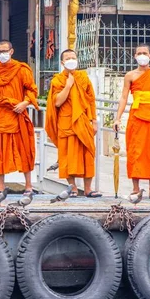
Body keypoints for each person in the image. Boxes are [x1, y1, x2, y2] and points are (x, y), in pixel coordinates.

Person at [0, 40, 39, 195]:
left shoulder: (21, 69)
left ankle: (28, 186)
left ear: (11, 51)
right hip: (0, 114)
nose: (1, 54)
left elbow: (32, 90)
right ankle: (0, 186)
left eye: (4, 51)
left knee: (24, 149)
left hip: (18, 114)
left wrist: (24, 103)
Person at [113, 44, 150, 199]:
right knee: (135, 151)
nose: (142, 55)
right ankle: (135, 188)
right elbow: (124, 97)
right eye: (139, 53)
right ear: (135, 55)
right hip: (136, 117)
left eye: (145, 53)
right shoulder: (130, 76)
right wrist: (117, 118)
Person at [46, 49, 101, 198]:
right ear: (62, 62)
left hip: (83, 121)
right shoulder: (57, 80)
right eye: (68, 58)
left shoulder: (83, 78)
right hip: (67, 122)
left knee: (87, 155)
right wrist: (68, 85)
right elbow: (57, 102)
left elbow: (91, 101)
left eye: (73, 57)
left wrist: (94, 120)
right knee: (67, 157)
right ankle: (73, 188)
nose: (71, 60)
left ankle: (88, 189)